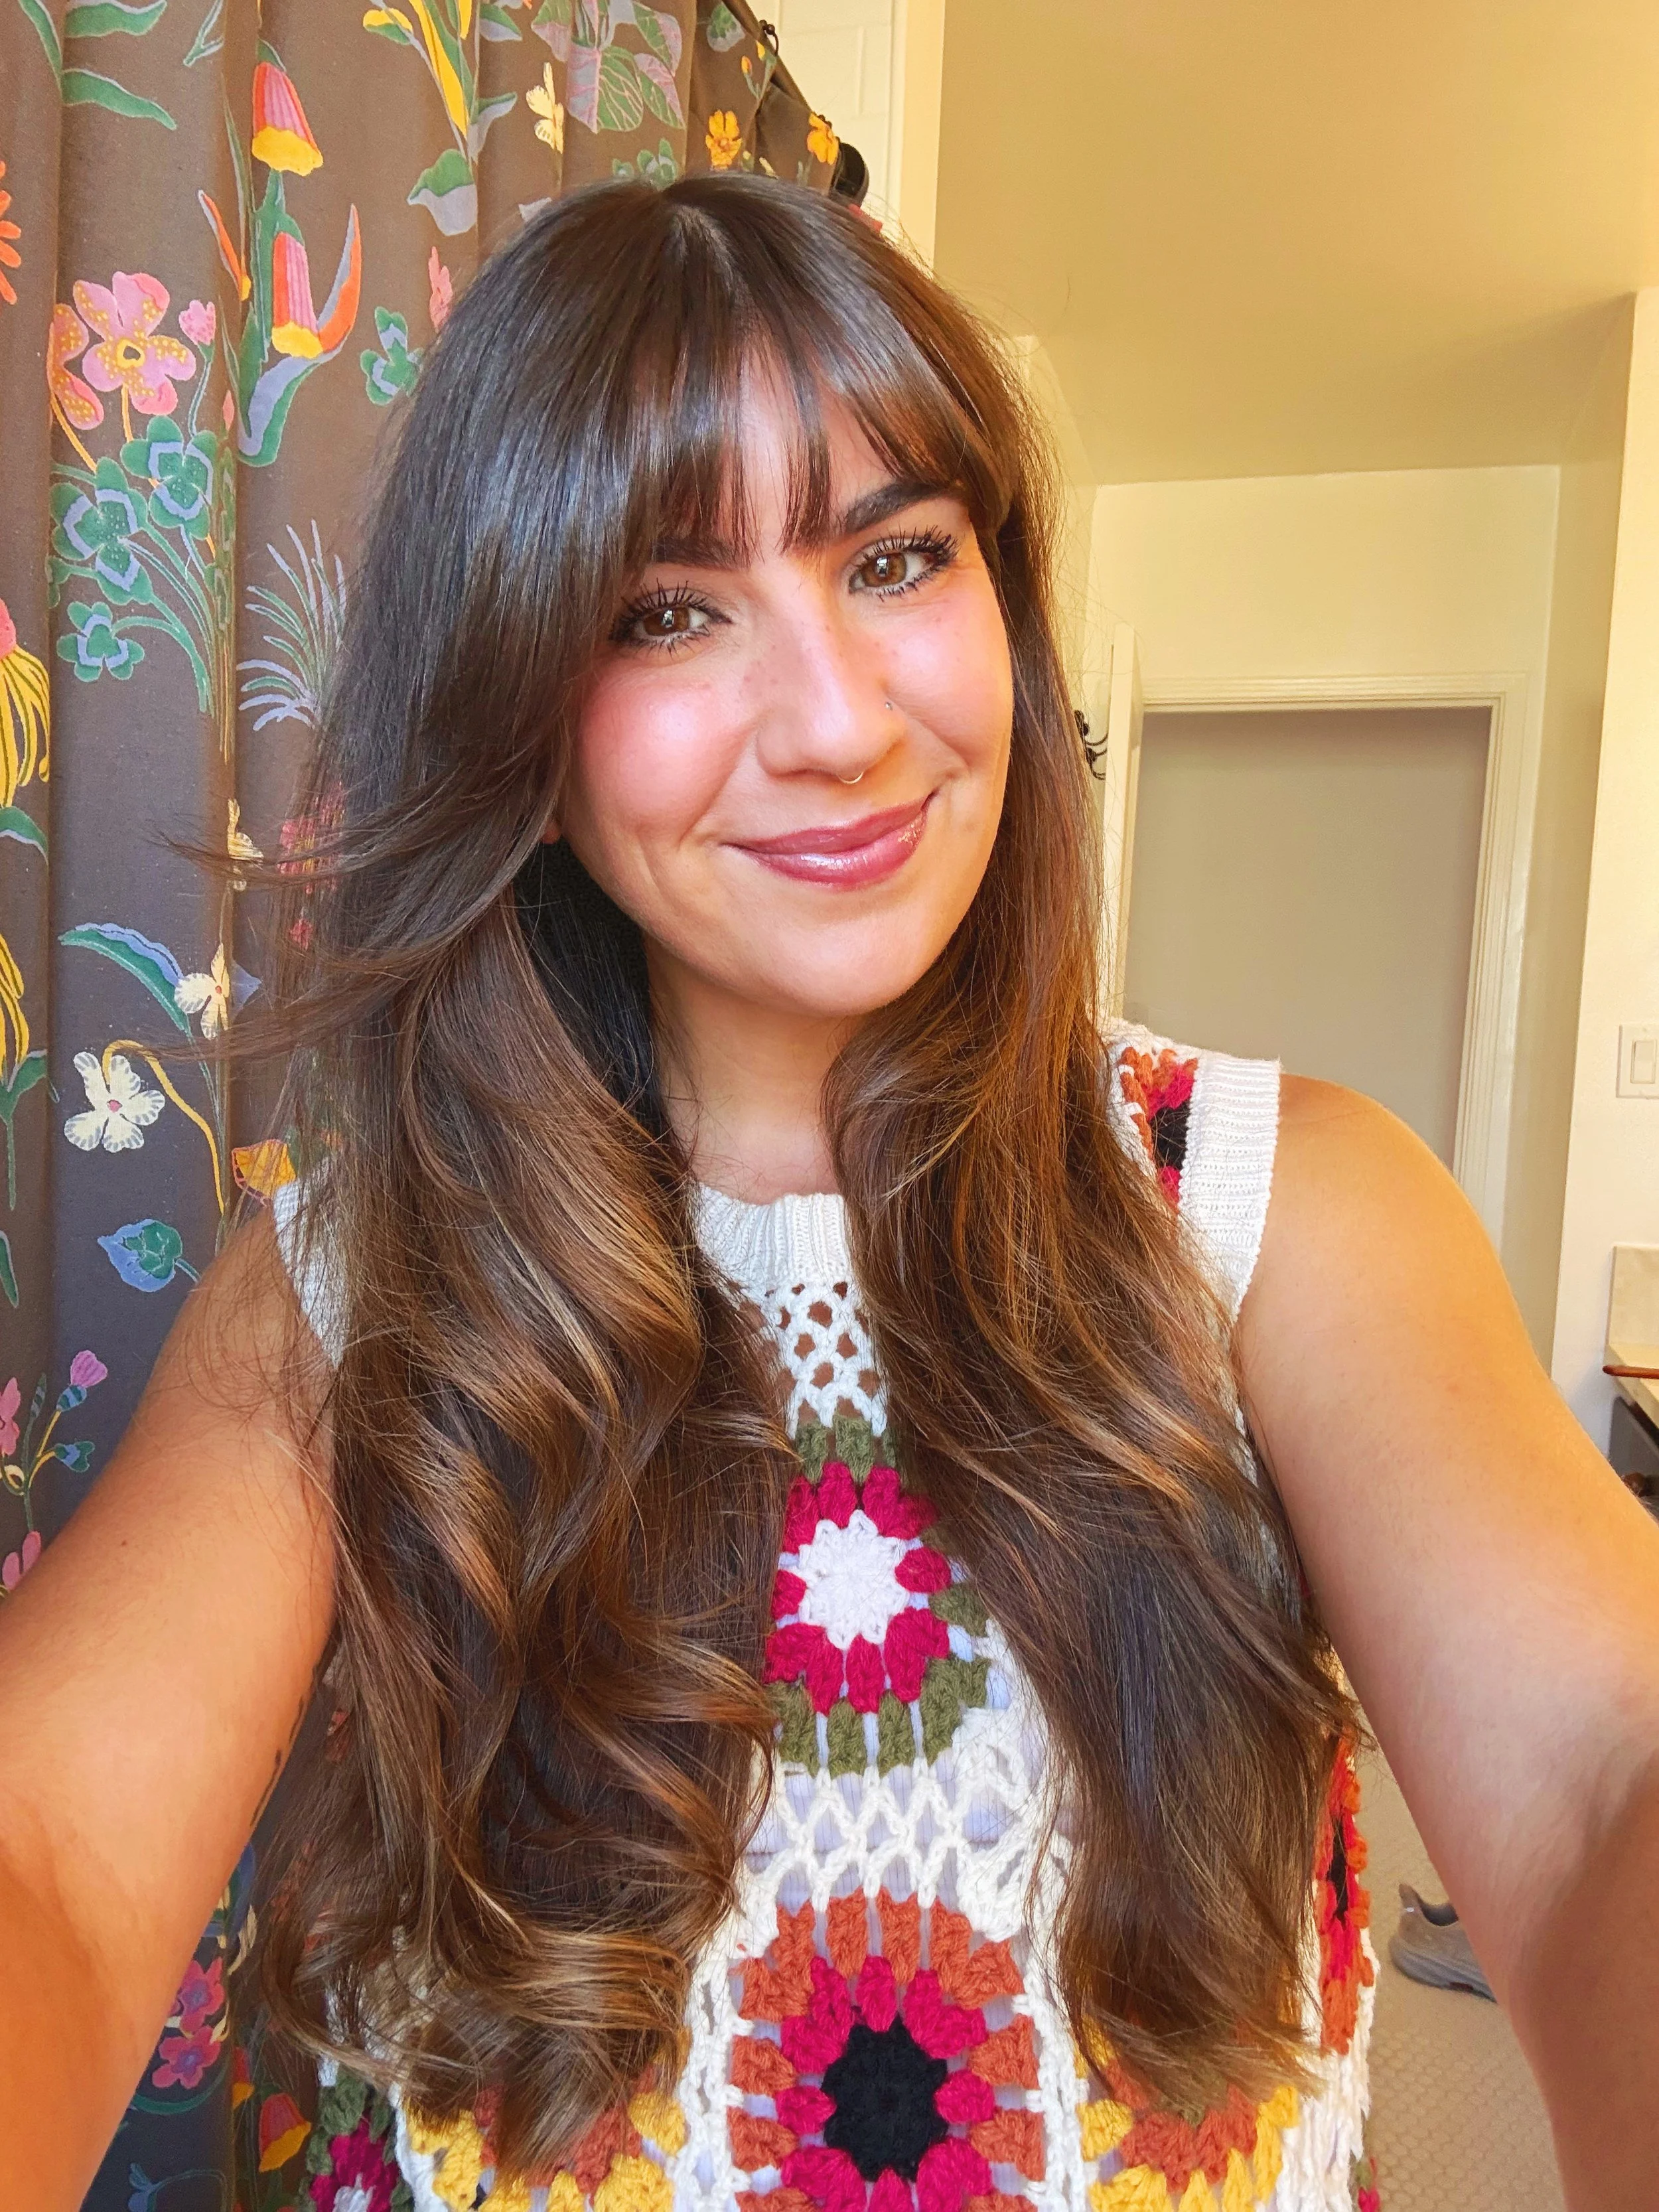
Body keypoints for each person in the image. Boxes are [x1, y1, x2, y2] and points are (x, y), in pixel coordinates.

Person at [1, 174, 1655, 2212]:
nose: (843, 724)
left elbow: (1599, 1786)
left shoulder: (1273, 1210)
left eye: (896, 556)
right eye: (670, 609)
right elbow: (51, 1850)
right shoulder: (353, 1292)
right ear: (520, 703)